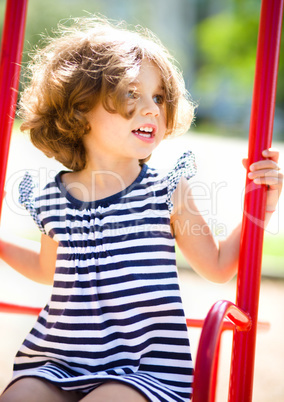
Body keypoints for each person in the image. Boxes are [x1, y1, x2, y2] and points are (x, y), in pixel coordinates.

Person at [0, 15, 282, 402]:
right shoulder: (53, 197)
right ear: (80, 108)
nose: (152, 109)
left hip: (143, 370)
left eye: (160, 97)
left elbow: (217, 267)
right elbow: (48, 269)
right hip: (60, 359)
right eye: (132, 94)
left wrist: (259, 210)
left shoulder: (167, 192)